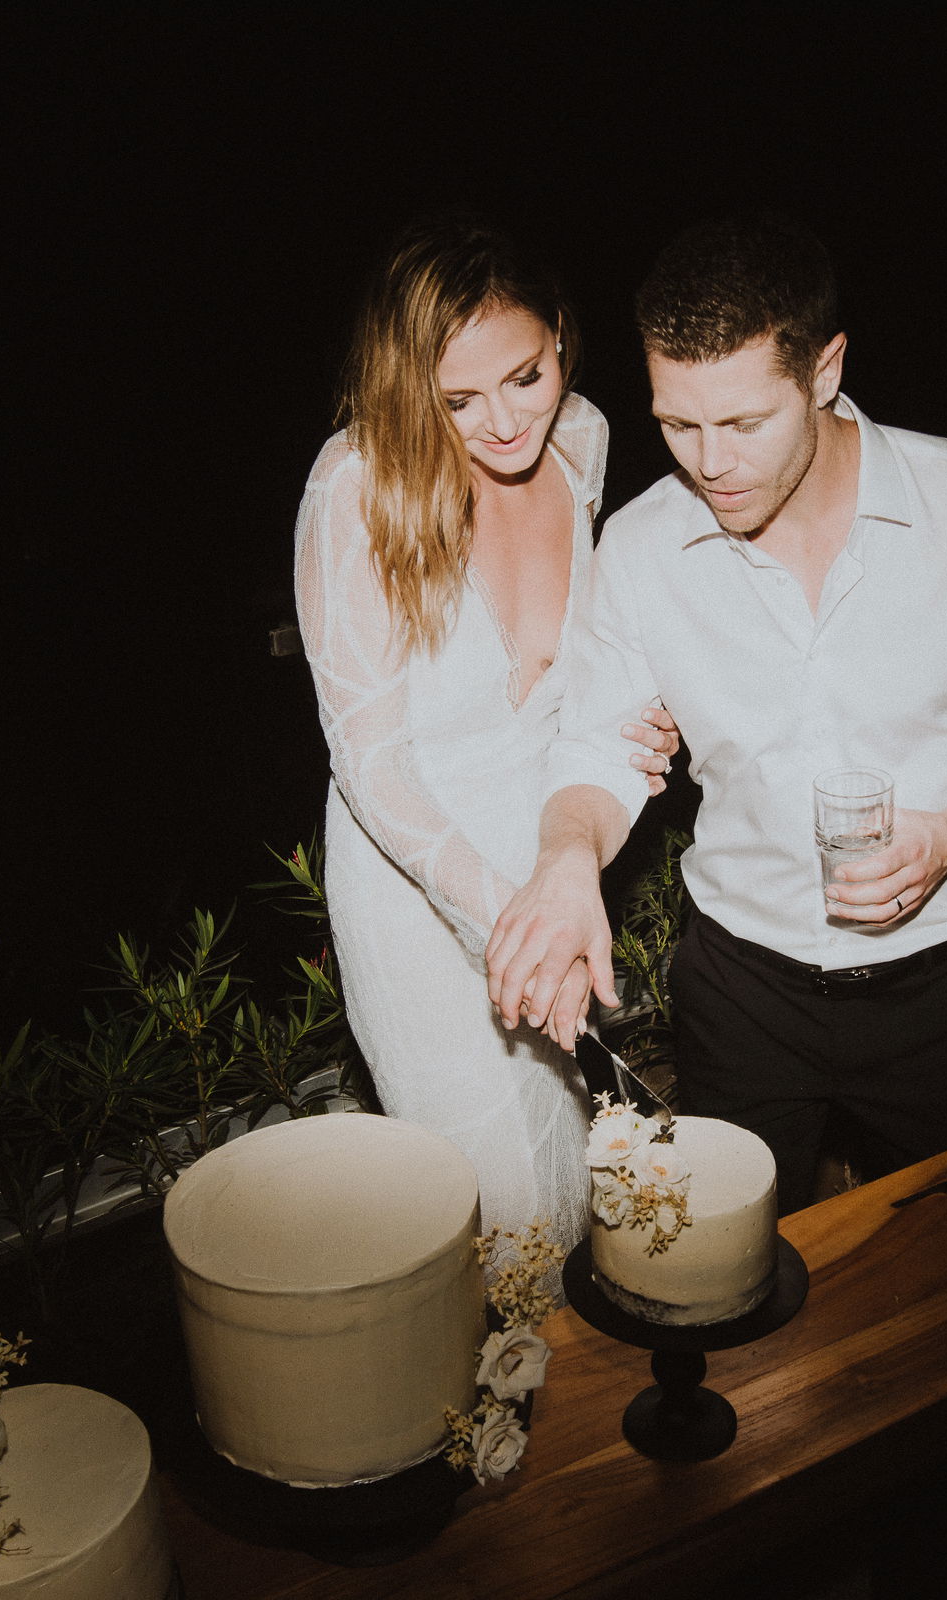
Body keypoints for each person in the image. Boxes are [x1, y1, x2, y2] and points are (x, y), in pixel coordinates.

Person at [485, 216, 947, 1212]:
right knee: (734, 1266)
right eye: (678, 425)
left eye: (744, 423)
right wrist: (568, 857)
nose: (710, 463)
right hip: (738, 988)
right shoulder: (643, 549)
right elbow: (600, 746)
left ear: (825, 371)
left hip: (945, 981)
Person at [294, 217, 678, 1247]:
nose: (505, 423)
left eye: (525, 376)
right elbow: (370, 764)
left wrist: (632, 724)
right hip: (419, 878)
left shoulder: (585, 436)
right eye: (457, 400)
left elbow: (578, 661)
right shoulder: (357, 484)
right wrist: (514, 919)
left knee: (592, 1170)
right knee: (502, 1208)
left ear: (560, 336)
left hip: (554, 845)